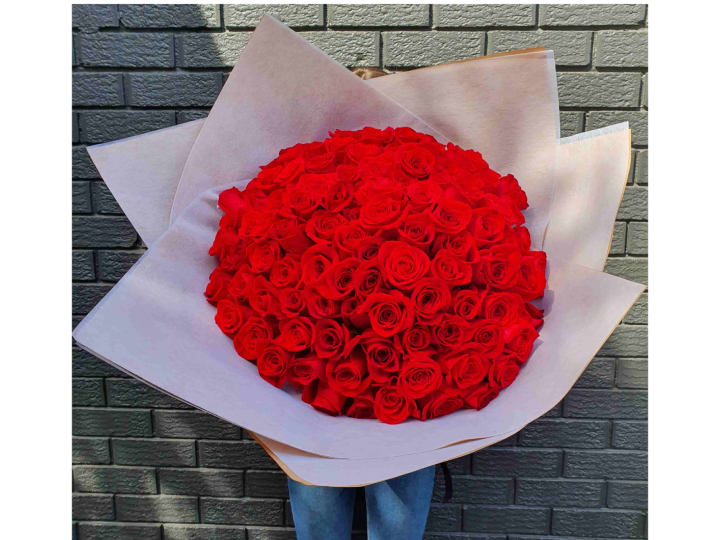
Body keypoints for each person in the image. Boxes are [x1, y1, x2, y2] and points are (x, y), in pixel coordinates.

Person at [286, 66, 448, 540]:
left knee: (397, 531)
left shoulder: (432, 188)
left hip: (409, 400)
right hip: (317, 404)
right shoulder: (311, 184)